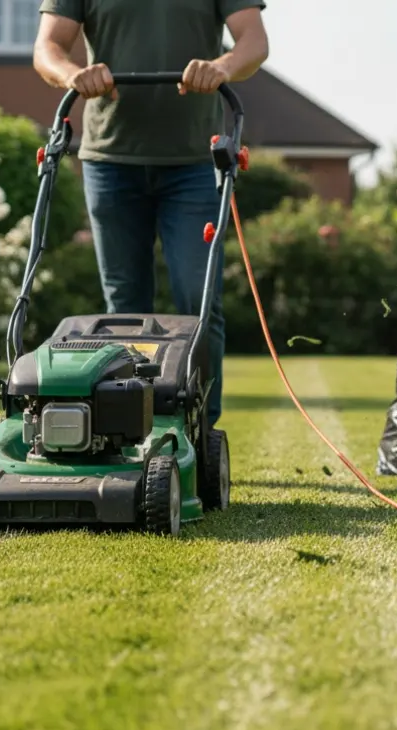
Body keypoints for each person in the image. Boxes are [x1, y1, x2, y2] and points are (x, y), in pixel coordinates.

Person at [33, 0, 269, 429]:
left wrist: (220, 67)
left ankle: (200, 432)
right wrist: (74, 75)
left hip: (195, 162)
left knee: (199, 300)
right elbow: (47, 48)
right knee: (123, 307)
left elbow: (253, 42)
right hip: (110, 161)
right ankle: (130, 424)